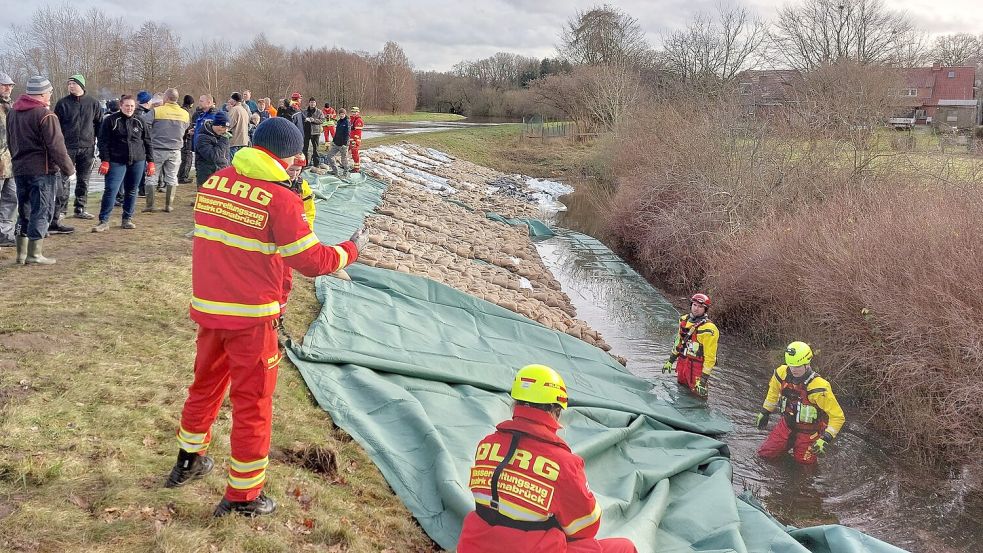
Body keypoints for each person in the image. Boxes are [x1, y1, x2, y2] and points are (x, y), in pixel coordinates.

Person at [164, 117, 368, 517]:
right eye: (296, 157)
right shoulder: (281, 200)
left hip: (210, 309)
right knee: (252, 403)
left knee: (204, 386)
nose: (299, 164)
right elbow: (311, 260)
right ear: (288, 155)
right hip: (253, 320)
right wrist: (352, 248)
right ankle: (243, 496)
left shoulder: (216, 183)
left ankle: (188, 461)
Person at [458, 364, 638, 553]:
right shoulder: (563, 464)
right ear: (556, 410)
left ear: (516, 404)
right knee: (624, 547)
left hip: (474, 546)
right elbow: (586, 528)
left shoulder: (486, 445)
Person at [7, 76, 75, 265]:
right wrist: (69, 169)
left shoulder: (12, 112)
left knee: (24, 211)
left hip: (20, 168)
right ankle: (34, 254)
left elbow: (11, 141)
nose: (51, 96)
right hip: (42, 171)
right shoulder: (46, 115)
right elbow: (57, 147)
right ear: (43, 93)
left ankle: (21, 254)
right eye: (50, 92)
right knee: (41, 210)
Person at [755, 341, 845, 465]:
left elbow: (837, 417)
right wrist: (765, 412)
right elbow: (773, 393)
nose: (793, 370)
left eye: (798, 366)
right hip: (786, 426)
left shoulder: (819, 387)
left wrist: (826, 438)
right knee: (765, 455)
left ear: (807, 364)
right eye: (791, 366)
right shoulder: (781, 373)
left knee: (804, 467)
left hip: (809, 434)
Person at [92, 94, 153, 232]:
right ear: (121, 106)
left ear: (135, 106)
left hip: (137, 161)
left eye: (132, 106)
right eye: (127, 106)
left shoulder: (140, 121)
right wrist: (105, 160)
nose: (129, 108)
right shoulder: (111, 121)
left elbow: (148, 142)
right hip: (116, 161)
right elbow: (103, 142)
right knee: (111, 190)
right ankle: (103, 221)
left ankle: (127, 219)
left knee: (131, 191)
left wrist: (151, 161)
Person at [276, 153, 318, 346]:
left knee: (285, 282)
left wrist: (305, 231)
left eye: (297, 170)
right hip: (273, 244)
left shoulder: (303, 187)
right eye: (292, 170)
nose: (294, 174)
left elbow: (309, 211)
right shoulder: (275, 184)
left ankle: (278, 320)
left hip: (290, 244)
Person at [53, 74, 101, 222]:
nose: (70, 86)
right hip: (67, 147)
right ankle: (61, 209)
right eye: (69, 84)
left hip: (87, 147)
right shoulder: (62, 103)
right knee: (64, 179)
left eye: (73, 83)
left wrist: (98, 144)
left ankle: (80, 208)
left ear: (81, 85)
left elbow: (99, 124)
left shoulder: (93, 103)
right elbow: (56, 126)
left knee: (84, 179)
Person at [662, 293, 719, 399]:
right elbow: (678, 342)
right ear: (691, 305)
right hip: (682, 366)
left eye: (700, 306)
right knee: (680, 394)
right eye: (694, 305)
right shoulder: (683, 320)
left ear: (705, 310)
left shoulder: (710, 329)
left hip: (697, 371)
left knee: (698, 400)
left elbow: (710, 358)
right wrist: (670, 360)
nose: (696, 309)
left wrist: (703, 381)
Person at [145, 88, 189, 213]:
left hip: (157, 149)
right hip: (175, 150)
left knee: (151, 177)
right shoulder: (185, 114)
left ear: (166, 98)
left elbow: (144, 124)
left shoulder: (156, 111)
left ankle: (150, 205)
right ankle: (169, 205)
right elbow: (185, 130)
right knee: (172, 177)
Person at [0, 72, 16, 247]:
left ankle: (4, 233)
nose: (8, 88)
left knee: (11, 198)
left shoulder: (11, 106)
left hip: (11, 162)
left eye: (10, 85)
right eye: (4, 85)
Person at [194, 111, 230, 187]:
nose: (225, 130)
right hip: (207, 176)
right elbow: (213, 156)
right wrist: (223, 140)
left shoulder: (222, 136)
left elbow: (225, 156)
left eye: (227, 128)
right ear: (216, 125)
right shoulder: (202, 137)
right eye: (223, 127)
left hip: (222, 175)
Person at [135, 90, 154, 197]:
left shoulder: (134, 112)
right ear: (147, 102)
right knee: (141, 168)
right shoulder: (145, 115)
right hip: (142, 145)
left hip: (137, 144)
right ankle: (142, 189)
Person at [324, 108, 350, 178]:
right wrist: (334, 141)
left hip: (343, 145)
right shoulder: (339, 122)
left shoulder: (347, 122)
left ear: (345, 114)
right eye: (340, 114)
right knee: (329, 156)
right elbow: (336, 133)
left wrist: (345, 144)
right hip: (336, 143)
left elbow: (348, 134)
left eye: (343, 114)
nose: (341, 115)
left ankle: (345, 174)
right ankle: (335, 171)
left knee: (344, 160)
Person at [177, 94, 196, 184]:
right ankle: (183, 177)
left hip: (179, 137)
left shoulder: (179, 111)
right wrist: (189, 131)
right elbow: (187, 126)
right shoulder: (186, 113)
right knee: (187, 157)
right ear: (191, 104)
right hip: (186, 138)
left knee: (182, 157)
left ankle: (180, 175)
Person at [227, 92, 250, 159]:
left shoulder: (234, 110)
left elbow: (229, 124)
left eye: (230, 99)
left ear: (234, 100)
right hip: (244, 141)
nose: (229, 101)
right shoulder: (244, 110)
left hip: (235, 142)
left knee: (233, 165)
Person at [301, 98, 324, 166]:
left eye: (314, 102)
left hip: (316, 133)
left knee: (316, 149)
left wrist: (313, 120)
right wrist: (304, 120)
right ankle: (305, 164)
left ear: (315, 103)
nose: (312, 104)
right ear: (309, 103)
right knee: (305, 149)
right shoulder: (305, 111)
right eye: (311, 102)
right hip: (306, 132)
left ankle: (316, 164)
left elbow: (322, 120)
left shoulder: (319, 112)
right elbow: (301, 119)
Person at [348, 106, 363, 173]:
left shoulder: (358, 120)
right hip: (350, 139)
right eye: (353, 112)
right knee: (345, 152)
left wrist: (354, 140)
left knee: (355, 154)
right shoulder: (351, 119)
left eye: (355, 112)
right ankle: (345, 164)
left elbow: (357, 131)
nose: (354, 113)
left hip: (355, 140)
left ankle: (356, 168)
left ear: (358, 112)